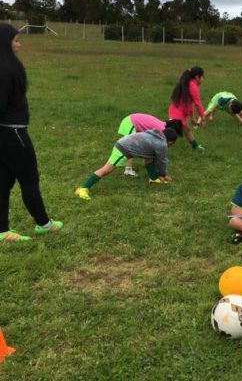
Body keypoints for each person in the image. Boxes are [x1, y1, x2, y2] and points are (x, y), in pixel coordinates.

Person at [0, 23, 62, 242]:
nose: (19, 43)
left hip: (5, 136)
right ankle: (43, 224)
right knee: (29, 179)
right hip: (13, 134)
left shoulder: (8, 66)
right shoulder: (6, 70)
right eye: (16, 40)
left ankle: (2, 231)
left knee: (4, 181)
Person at [74, 128, 177, 200]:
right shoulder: (161, 144)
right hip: (123, 149)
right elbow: (162, 161)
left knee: (149, 157)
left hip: (123, 143)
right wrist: (164, 174)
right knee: (107, 169)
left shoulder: (155, 134)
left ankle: (154, 179)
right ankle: (82, 189)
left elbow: (152, 156)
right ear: (170, 142)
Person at [114, 113, 182, 177]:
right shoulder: (162, 129)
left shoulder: (162, 125)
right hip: (130, 123)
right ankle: (128, 170)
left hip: (131, 121)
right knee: (129, 147)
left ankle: (149, 171)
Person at [168, 66, 206, 150]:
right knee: (171, 133)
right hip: (177, 113)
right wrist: (203, 118)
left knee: (186, 130)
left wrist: (192, 117)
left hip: (176, 110)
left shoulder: (189, 83)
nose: (203, 79)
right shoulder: (193, 86)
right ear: (197, 77)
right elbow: (198, 104)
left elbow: (189, 104)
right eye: (202, 77)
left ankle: (195, 146)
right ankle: (157, 147)